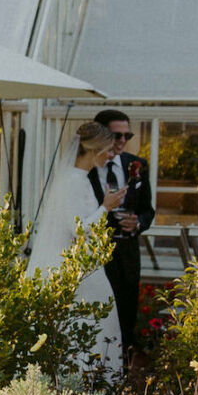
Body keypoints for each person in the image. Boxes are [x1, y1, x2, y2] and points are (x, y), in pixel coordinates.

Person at [26, 120, 125, 375]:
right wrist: (106, 207)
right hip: (74, 270)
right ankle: (88, 381)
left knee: (99, 323)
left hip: (82, 265)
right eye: (108, 150)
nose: (111, 156)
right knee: (97, 324)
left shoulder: (74, 178)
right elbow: (78, 229)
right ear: (95, 150)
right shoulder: (74, 181)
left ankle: (92, 382)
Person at [91, 108, 155, 354]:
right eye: (116, 136)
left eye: (126, 136)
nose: (121, 141)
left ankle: (123, 375)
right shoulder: (87, 168)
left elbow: (148, 210)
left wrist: (137, 222)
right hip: (95, 254)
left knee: (126, 314)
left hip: (127, 252)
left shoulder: (136, 164)